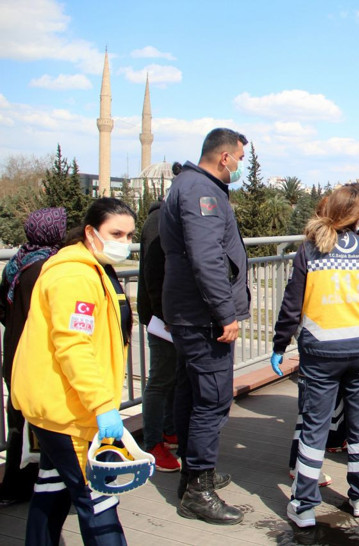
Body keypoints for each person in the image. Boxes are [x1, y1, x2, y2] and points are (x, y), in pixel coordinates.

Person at [11, 198, 136, 545]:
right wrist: (101, 405)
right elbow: (74, 346)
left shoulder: (91, 268)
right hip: (68, 410)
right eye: (116, 233)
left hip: (58, 405)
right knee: (97, 498)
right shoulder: (74, 275)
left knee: (52, 487)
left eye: (128, 235)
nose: (123, 242)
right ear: (90, 232)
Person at [270, 183, 359, 527]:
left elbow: (291, 305)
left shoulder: (309, 251)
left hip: (322, 350)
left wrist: (280, 345)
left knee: (314, 427)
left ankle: (304, 505)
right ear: (358, 216)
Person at [160, 128, 251, 525]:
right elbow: (206, 256)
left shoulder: (190, 184)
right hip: (203, 316)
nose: (240, 168)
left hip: (190, 313)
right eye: (240, 160)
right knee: (212, 400)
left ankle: (194, 475)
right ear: (225, 157)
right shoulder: (203, 191)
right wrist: (224, 312)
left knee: (190, 392)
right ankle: (198, 490)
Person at [0, 207, 66, 507]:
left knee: (17, 422)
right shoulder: (51, 268)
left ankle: (13, 485)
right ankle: (43, 484)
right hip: (39, 357)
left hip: (14, 353)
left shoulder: (15, 263)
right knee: (43, 423)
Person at [137, 197, 180, 472]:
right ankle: (152, 442)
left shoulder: (166, 217)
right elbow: (155, 274)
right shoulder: (158, 221)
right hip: (162, 319)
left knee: (173, 375)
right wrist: (163, 316)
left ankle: (168, 429)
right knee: (160, 379)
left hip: (171, 316)